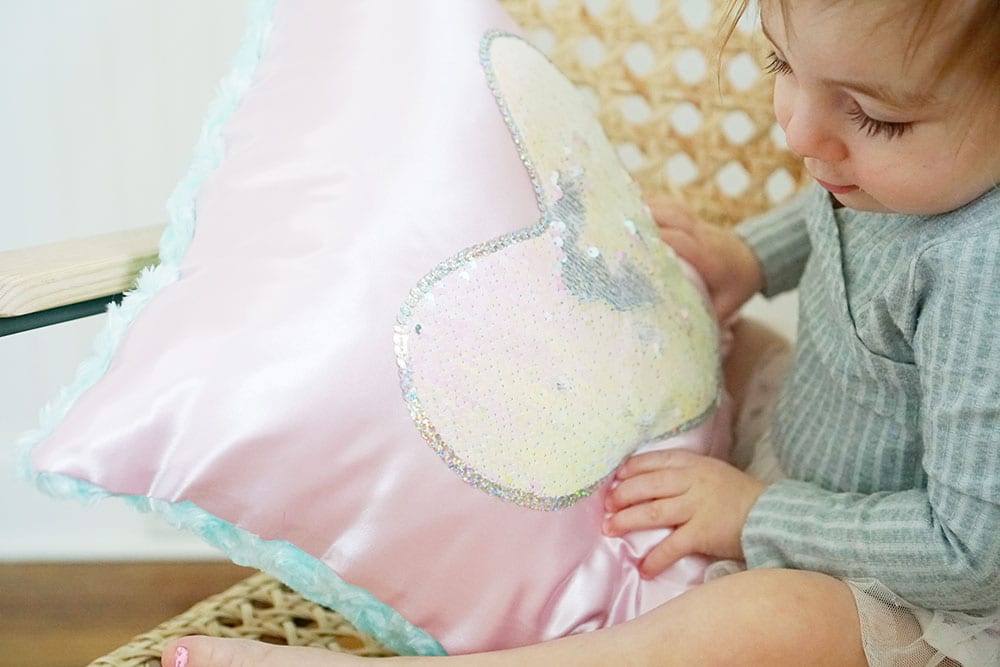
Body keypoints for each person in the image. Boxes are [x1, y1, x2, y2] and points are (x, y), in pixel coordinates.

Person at [162, 0, 1000, 664]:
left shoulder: (982, 273)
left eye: (873, 118)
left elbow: (969, 552)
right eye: (783, 64)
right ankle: (492, 532)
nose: (799, 133)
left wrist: (756, 514)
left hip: (922, 580)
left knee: (765, 622)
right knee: (672, 328)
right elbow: (838, 212)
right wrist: (749, 256)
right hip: (817, 448)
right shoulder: (889, 172)